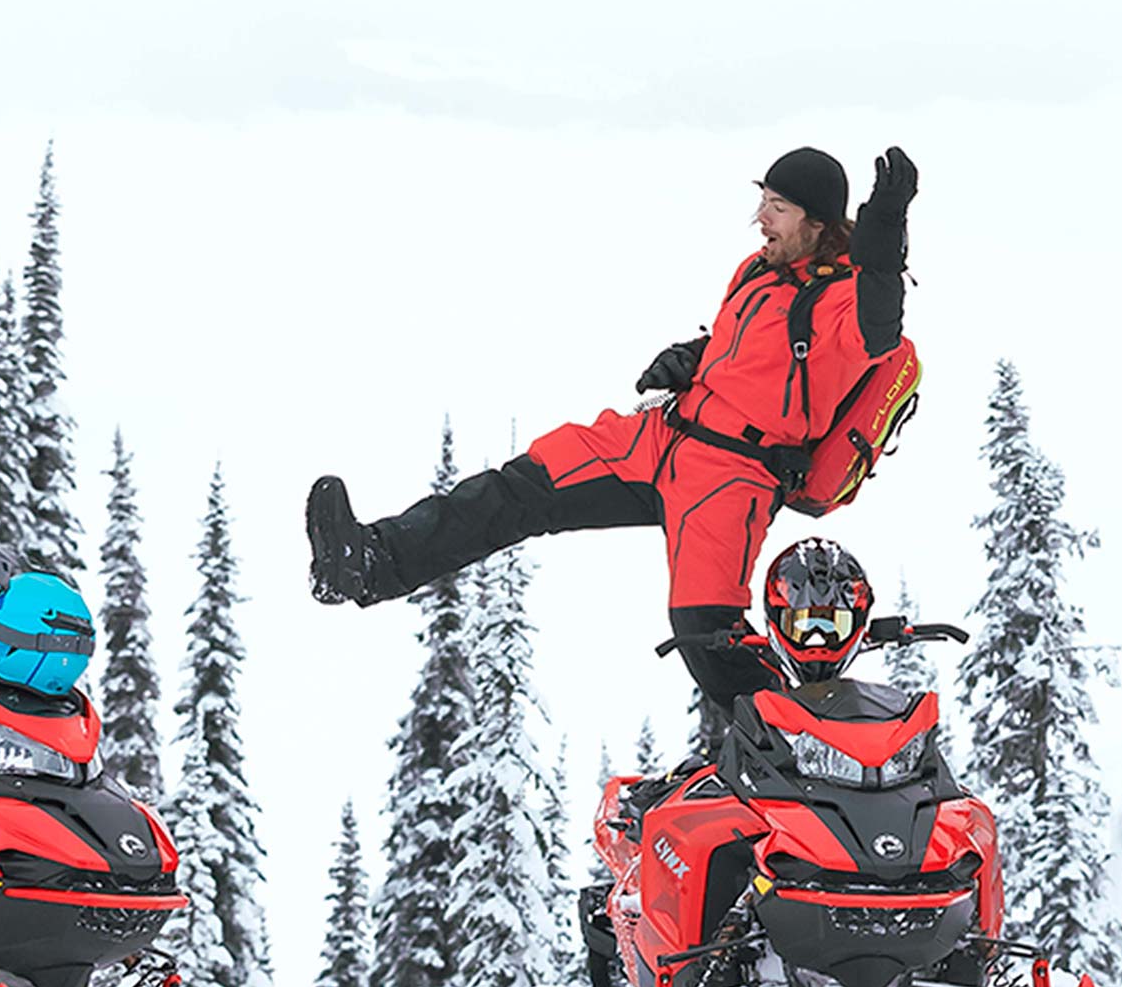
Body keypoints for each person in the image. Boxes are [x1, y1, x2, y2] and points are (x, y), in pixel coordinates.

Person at [303, 144, 915, 733]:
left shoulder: (844, 301)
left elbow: (879, 329)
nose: (760, 219)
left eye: (776, 207)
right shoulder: (757, 272)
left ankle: (811, 758)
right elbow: (752, 352)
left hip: (731, 476)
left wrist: (885, 233)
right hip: (661, 437)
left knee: (707, 635)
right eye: (762, 201)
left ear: (815, 220)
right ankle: (369, 565)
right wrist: (690, 358)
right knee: (521, 487)